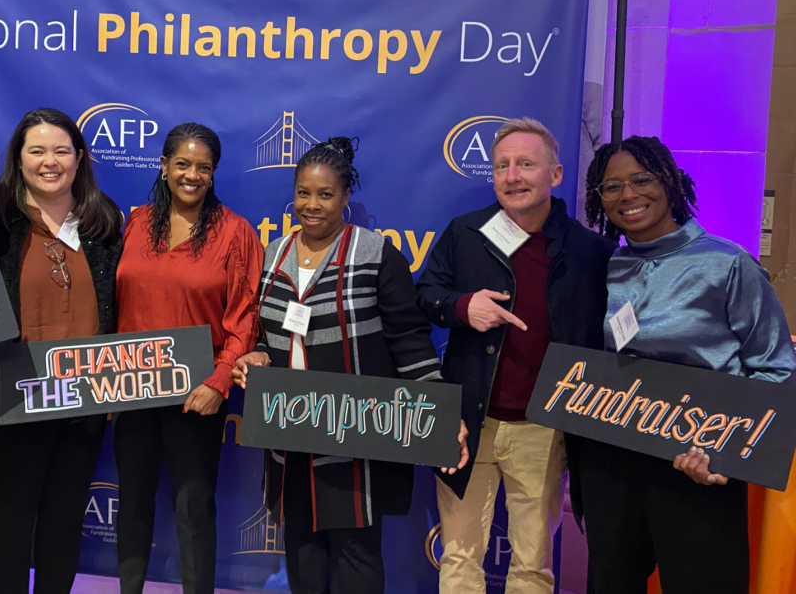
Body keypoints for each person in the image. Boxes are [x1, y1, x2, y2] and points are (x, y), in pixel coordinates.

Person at [231, 137, 468, 594]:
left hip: (356, 436)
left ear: (345, 198)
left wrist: (442, 416)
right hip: (291, 433)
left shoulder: (376, 254)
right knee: (302, 552)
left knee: (356, 558)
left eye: (325, 194)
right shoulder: (274, 253)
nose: (311, 205)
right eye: (303, 193)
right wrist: (258, 352)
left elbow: (410, 341)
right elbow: (264, 332)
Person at [578, 135, 796, 594]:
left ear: (670, 181)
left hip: (697, 463)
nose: (628, 195)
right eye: (611, 186)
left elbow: (776, 369)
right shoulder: (608, 265)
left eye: (641, 179)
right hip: (614, 462)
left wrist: (728, 452)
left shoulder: (726, 263)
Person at [415, 118, 615, 594]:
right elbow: (424, 293)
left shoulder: (591, 252)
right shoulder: (465, 233)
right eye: (502, 166)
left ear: (556, 174)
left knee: (533, 565)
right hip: (468, 422)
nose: (512, 176)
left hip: (544, 429)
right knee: (460, 556)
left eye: (526, 164)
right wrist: (463, 306)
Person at [0, 108, 123, 594]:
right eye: (36, 151)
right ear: (18, 159)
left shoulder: (105, 221)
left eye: (61, 151)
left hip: (84, 394)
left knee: (64, 516)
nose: (50, 162)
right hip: (15, 394)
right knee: (8, 517)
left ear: (79, 159)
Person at [114, 123, 263, 594]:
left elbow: (244, 319)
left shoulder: (235, 233)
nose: (192, 175)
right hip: (130, 389)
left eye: (203, 167)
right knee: (133, 503)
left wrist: (219, 381)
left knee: (194, 509)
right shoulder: (134, 223)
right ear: (163, 167)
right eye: (182, 164)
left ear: (214, 174)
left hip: (196, 395)